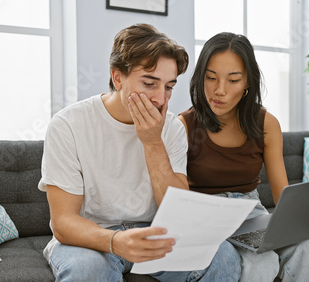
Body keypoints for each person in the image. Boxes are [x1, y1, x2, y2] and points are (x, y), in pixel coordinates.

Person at [38, 24, 241, 281]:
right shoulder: (68, 125)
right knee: (88, 270)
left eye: (168, 87)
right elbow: (64, 222)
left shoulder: (172, 128)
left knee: (223, 256)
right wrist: (116, 240)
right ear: (117, 77)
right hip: (91, 236)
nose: (159, 98)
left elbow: (177, 210)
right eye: (149, 83)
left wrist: (153, 143)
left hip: (153, 233)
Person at [178, 32, 309, 282]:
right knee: (261, 261)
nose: (219, 90)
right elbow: (177, 200)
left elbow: (283, 197)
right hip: (206, 218)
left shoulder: (266, 123)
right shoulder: (184, 125)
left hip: (251, 214)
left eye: (233, 80)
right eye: (210, 77)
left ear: (247, 83)